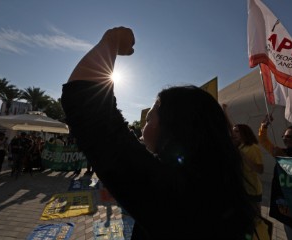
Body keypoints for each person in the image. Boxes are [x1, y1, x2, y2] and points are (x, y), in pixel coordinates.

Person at [61, 26, 257, 239]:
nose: (144, 125)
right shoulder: (215, 180)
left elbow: (87, 104)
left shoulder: (174, 189)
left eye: (150, 117)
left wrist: (112, 39)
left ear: (174, 128)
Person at [222, 104, 264, 209]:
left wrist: (244, 157)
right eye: (233, 131)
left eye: (237, 131)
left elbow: (260, 169)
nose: (233, 133)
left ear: (244, 133)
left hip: (252, 190)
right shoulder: (239, 146)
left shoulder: (252, 148)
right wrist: (224, 112)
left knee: (255, 216)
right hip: (241, 188)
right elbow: (230, 127)